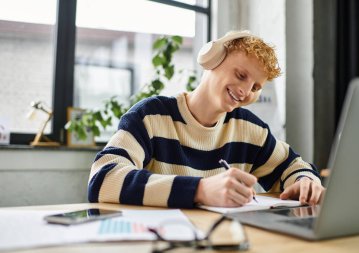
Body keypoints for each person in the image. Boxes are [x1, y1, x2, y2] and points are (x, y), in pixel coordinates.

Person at [88, 31, 325, 209]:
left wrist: (306, 180)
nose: (245, 91)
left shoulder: (250, 129)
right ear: (212, 60)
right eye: (241, 75)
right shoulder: (151, 116)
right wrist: (199, 191)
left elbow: (294, 166)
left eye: (255, 87)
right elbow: (103, 179)